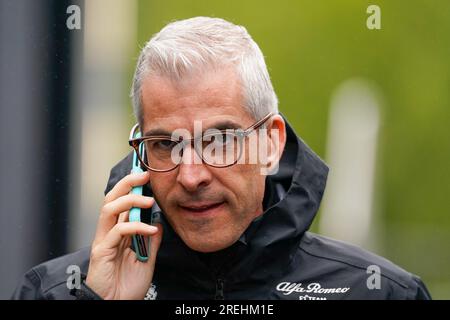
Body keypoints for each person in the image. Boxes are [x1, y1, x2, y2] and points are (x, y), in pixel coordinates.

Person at [12, 16, 431, 300]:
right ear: (140, 151)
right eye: (165, 144)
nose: (191, 176)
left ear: (271, 143)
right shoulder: (52, 290)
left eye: (220, 141)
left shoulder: (377, 291)